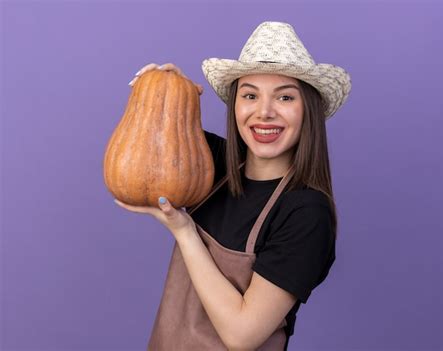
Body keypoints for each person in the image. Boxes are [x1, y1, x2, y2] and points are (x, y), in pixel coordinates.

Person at [115, 21, 351, 351]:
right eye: (250, 95)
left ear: (308, 109)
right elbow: (141, 156)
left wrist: (185, 231)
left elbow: (242, 335)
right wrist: (163, 93)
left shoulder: (307, 213)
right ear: (235, 104)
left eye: (284, 97)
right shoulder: (208, 164)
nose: (264, 112)